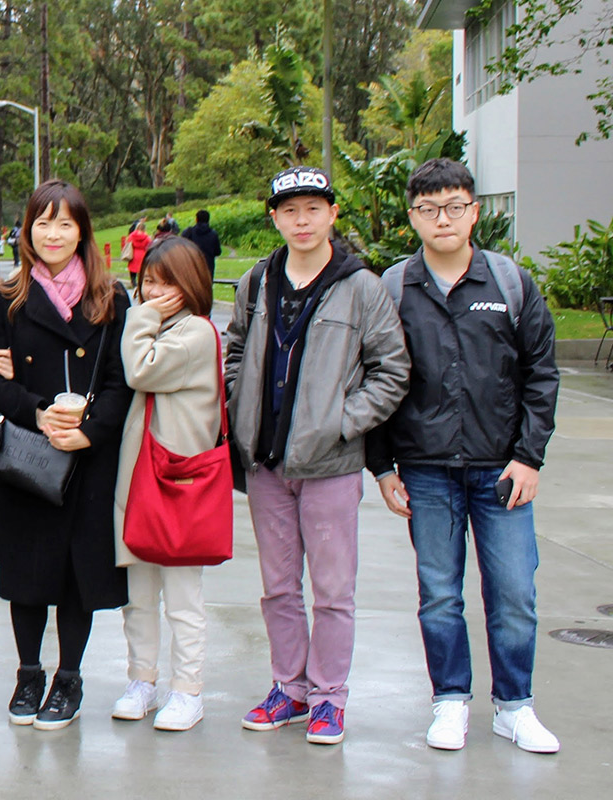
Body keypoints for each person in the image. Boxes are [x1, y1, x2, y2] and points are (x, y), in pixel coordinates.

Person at [370, 158, 561, 754]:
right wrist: (382, 465)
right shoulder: (394, 287)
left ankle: (515, 706)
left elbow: (541, 375)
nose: (443, 219)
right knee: (440, 595)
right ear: (413, 218)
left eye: (454, 207)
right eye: (429, 210)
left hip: (502, 470)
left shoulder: (510, 284)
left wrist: (529, 457)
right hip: (426, 473)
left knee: (512, 594)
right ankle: (449, 701)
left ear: (475, 211)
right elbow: (372, 377)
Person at [226, 165, 409, 745]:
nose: (301, 221)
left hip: (329, 466)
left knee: (333, 591)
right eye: (289, 210)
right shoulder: (257, 282)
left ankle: (330, 697)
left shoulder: (362, 287)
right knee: (278, 587)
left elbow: (391, 370)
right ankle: (290, 688)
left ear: (333, 213)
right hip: (268, 466)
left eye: (313, 209)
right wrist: (240, 409)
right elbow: (234, 353)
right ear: (274, 218)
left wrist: (339, 425)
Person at [0, 180, 133, 731]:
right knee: (27, 572)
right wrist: (39, 413)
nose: (54, 233)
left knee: (76, 576)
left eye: (66, 223)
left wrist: (88, 431)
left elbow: (121, 381)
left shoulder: (112, 299)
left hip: (88, 459)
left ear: (82, 231)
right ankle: (28, 673)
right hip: (29, 457)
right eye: (43, 222)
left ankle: (69, 678)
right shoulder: (10, 298)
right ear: (28, 230)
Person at [109, 237, 223, 733]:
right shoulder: (165, 325)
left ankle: (188, 690)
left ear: (189, 285)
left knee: (181, 599)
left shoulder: (194, 332)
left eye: (164, 281)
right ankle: (142, 680)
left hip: (176, 481)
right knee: (139, 594)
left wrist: (141, 317)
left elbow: (140, 370)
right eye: (147, 281)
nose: (152, 290)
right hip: (142, 481)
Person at [182, 209, 223, 284]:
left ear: (196, 219)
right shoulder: (213, 234)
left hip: (192, 265)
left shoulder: (189, 232)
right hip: (208, 266)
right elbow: (218, 252)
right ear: (208, 220)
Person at [122, 218, 151, 285]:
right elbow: (149, 245)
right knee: (141, 269)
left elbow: (128, 242)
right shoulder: (146, 237)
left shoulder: (132, 236)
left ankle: (133, 281)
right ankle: (141, 282)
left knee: (132, 269)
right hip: (142, 254)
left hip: (134, 253)